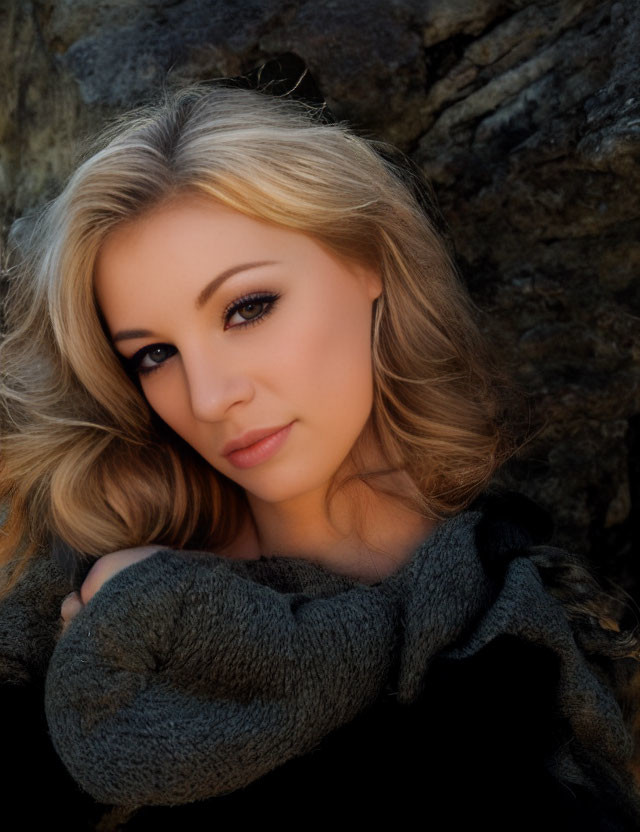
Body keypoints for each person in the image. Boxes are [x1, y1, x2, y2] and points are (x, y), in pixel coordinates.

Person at [1, 70, 640, 831]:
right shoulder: (76, 590)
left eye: (248, 308)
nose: (209, 398)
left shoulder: (519, 629)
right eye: (153, 355)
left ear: (367, 257)